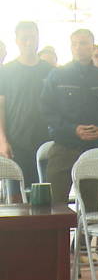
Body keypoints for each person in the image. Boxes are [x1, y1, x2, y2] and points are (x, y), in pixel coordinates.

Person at [39, 30, 98, 206]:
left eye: (82, 43)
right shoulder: (57, 75)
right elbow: (46, 110)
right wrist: (72, 129)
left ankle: (85, 236)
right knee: (55, 206)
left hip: (94, 150)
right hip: (64, 148)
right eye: (73, 43)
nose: (77, 48)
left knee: (92, 208)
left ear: (93, 47)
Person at [0, 22, 55, 201]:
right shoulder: (5, 71)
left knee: (44, 197)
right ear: (17, 41)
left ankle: (44, 230)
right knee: (16, 196)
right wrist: (2, 140)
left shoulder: (51, 71)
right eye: (24, 39)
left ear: (38, 38)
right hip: (15, 144)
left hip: (46, 143)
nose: (28, 43)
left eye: (32, 38)